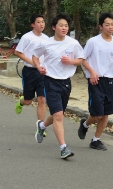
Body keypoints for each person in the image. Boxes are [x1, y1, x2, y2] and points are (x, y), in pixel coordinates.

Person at [77, 12, 113, 151]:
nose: (110, 27)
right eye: (107, 25)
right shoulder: (93, 42)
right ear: (100, 26)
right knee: (96, 114)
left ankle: (96, 140)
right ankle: (85, 124)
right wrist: (93, 72)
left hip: (109, 81)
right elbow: (83, 59)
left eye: (112, 24)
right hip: (95, 80)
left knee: (106, 113)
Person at [32, 13, 83, 159]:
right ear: (54, 27)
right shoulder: (46, 43)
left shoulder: (73, 43)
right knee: (59, 115)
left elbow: (80, 59)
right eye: (61, 25)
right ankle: (63, 148)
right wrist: (38, 67)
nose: (64, 28)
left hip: (66, 82)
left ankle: (41, 126)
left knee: (57, 114)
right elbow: (35, 56)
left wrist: (70, 61)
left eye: (66, 26)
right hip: (50, 81)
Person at [14, 14, 49, 143]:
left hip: (42, 73)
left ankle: (41, 127)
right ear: (33, 24)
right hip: (29, 71)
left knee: (42, 99)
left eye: (43, 22)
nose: (41, 24)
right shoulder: (27, 37)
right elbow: (17, 52)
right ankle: (21, 101)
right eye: (38, 22)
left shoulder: (47, 39)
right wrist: (31, 61)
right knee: (28, 101)